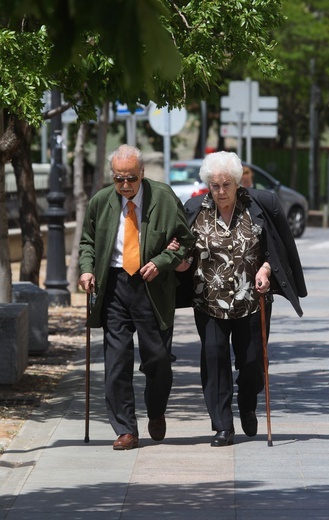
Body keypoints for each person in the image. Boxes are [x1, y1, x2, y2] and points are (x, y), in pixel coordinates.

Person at [174, 151, 307, 447]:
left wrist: (266, 269)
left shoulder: (259, 206)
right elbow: (184, 255)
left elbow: (277, 248)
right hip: (208, 300)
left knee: (252, 364)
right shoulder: (195, 209)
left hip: (251, 299)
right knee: (214, 360)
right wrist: (178, 261)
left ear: (237, 183)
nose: (221, 192)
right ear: (208, 184)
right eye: (215, 185)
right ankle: (222, 425)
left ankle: (247, 403)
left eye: (226, 185)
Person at [78, 144, 195, 450]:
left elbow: (186, 244)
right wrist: (87, 270)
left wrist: (162, 262)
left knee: (158, 359)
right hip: (114, 285)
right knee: (116, 361)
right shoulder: (101, 202)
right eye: (119, 178)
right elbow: (87, 242)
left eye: (131, 177)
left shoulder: (164, 198)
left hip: (151, 287)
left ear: (142, 173)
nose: (126, 185)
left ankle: (155, 411)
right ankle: (126, 429)